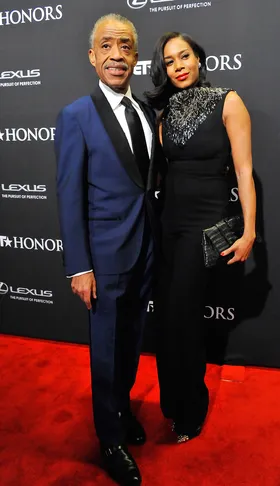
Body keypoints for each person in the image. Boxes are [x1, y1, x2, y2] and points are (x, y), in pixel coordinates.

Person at [55, 14, 164, 486]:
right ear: (93, 56)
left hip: (144, 250)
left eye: (126, 47)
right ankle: (109, 437)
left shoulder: (145, 110)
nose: (117, 55)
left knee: (132, 341)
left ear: (135, 57)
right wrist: (79, 265)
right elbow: (69, 193)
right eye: (108, 46)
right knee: (105, 348)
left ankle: (120, 409)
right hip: (102, 256)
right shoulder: (76, 114)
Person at [145, 32, 256, 443]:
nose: (179, 66)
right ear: (164, 69)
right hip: (169, 225)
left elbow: (244, 172)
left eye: (185, 56)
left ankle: (192, 407)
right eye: (170, 61)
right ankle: (173, 405)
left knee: (183, 320)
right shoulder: (164, 111)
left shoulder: (229, 100)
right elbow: (160, 172)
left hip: (204, 226)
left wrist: (249, 231)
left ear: (198, 58)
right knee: (168, 323)